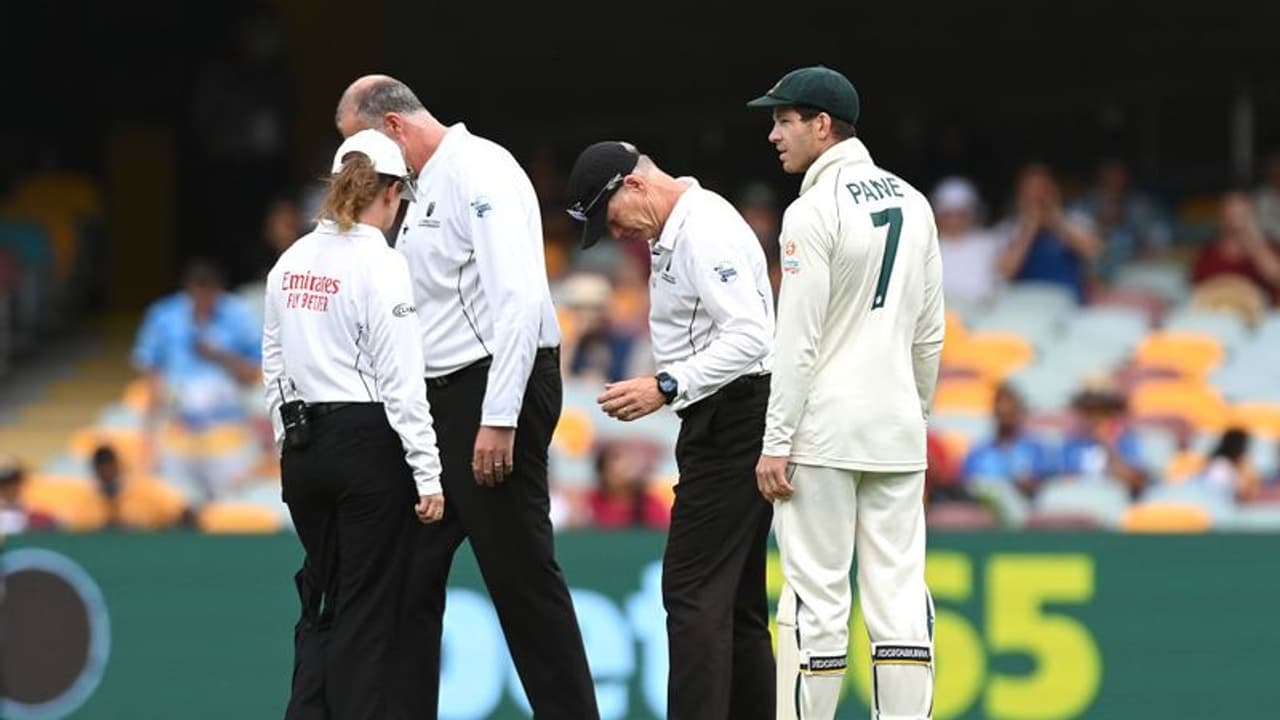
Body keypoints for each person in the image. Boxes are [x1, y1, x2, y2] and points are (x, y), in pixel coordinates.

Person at [334, 75, 599, 719]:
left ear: (392, 128)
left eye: (359, 147)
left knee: (519, 576)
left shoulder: (480, 170)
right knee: (407, 576)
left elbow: (519, 299)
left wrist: (499, 415)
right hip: (442, 400)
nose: (358, 167)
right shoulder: (420, 188)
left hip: (491, 390)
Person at [747, 65, 943, 720]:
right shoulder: (915, 202)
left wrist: (776, 440)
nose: (774, 134)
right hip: (896, 428)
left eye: (784, 120)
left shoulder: (811, 210)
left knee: (816, 600)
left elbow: (796, 339)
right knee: (900, 596)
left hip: (825, 433)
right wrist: (913, 418)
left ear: (822, 124)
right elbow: (930, 335)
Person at [566, 140, 777, 720]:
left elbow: (752, 334)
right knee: (735, 603)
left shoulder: (702, 231)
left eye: (612, 219)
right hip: (731, 415)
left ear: (634, 185)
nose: (618, 234)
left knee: (692, 592)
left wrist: (666, 384)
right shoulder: (682, 228)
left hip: (732, 418)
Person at [262, 128, 445, 720]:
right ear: (390, 192)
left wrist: (288, 442)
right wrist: (428, 473)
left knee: (320, 599)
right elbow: (401, 379)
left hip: (303, 445)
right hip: (364, 443)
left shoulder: (291, 260)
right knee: (366, 613)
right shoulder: (381, 263)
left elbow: (273, 364)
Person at [131, 258, 263, 501]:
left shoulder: (238, 314)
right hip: (178, 426)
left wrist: (218, 355)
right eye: (196, 295)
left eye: (208, 296)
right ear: (188, 290)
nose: (202, 302)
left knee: (228, 504)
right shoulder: (164, 315)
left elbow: (255, 372)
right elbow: (152, 374)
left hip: (227, 428)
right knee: (177, 502)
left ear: (218, 290)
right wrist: (149, 435)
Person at [995, 163, 1103, 303]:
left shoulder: (1076, 219)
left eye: (1042, 190)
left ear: (1053, 191)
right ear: (1020, 195)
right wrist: (1029, 229)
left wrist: (1055, 221)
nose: (1036, 197)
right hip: (1026, 303)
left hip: (1068, 302)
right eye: (1030, 191)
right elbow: (1006, 271)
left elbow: (1094, 251)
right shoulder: (1007, 228)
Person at [962, 383, 1058, 496]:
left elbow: (1044, 484)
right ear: (995, 413)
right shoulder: (979, 452)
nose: (1005, 413)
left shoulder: (1035, 449)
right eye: (1002, 412)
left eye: (1010, 412)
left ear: (1019, 412)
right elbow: (968, 485)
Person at [931, 176, 1002, 309]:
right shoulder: (925, 247)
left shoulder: (989, 242)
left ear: (972, 214)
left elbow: (1008, 271)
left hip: (982, 315)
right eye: (948, 214)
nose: (954, 220)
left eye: (961, 214)